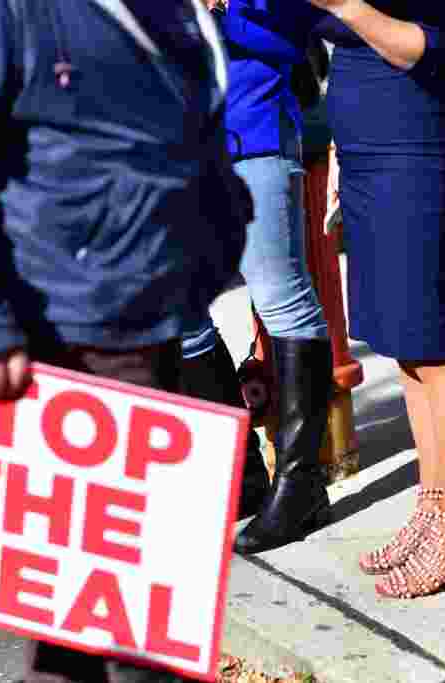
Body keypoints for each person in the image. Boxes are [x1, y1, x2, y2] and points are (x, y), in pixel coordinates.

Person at [0, 1, 249, 681]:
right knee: (137, 639)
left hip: (158, 335)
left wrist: (215, 263)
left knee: (88, 630)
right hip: (60, 353)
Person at [301, 0, 445, 598]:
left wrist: (343, 6)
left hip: (414, 152)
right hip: (364, 152)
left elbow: (422, 45)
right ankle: (434, 509)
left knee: (436, 345)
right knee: (405, 347)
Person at [183, 0, 334, 555]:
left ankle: (302, 486)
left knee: (281, 299)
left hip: (255, 137)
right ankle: (239, 475)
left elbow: (293, 43)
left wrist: (221, 13)